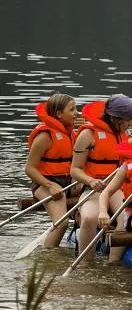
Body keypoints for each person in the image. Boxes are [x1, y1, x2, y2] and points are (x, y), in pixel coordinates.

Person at [70, 94, 132, 260]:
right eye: (128, 120)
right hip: (93, 188)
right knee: (89, 218)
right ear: (115, 118)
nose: (130, 124)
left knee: (125, 219)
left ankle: (113, 263)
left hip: (117, 188)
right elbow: (75, 170)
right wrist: (91, 181)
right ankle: (85, 264)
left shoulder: (126, 135)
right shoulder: (88, 134)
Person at [25, 93, 79, 247]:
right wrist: (50, 186)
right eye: (72, 109)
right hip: (45, 183)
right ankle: (47, 256)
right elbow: (29, 168)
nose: (76, 113)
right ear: (59, 114)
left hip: (69, 182)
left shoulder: (72, 133)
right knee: (62, 223)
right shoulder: (44, 136)